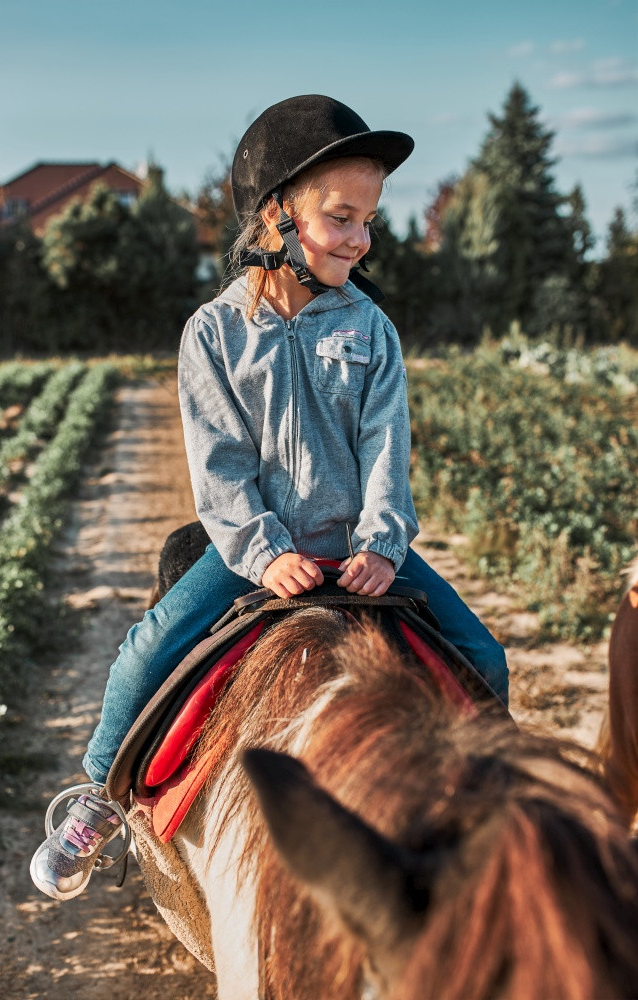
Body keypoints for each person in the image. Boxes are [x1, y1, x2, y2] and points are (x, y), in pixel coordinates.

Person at [30, 94, 508, 901]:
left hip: (359, 551)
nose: (360, 239)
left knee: (485, 656)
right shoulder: (213, 334)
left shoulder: (371, 329)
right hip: (256, 555)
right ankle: (99, 793)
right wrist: (264, 552)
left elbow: (387, 446)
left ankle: (503, 818)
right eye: (342, 218)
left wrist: (383, 546)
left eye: (369, 221)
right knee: (146, 650)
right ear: (278, 217)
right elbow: (218, 464)